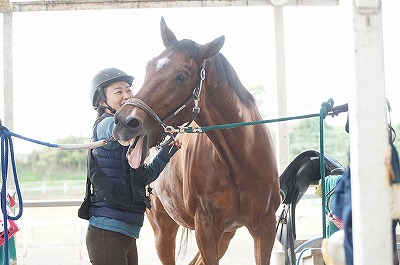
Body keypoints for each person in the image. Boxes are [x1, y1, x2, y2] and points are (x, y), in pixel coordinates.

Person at [83, 67, 181, 265]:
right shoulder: (105, 125)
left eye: (129, 90)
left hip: (128, 232)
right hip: (106, 232)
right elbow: (122, 128)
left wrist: (166, 152)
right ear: (102, 101)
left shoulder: (134, 141)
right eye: (118, 92)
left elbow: (143, 177)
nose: (126, 95)